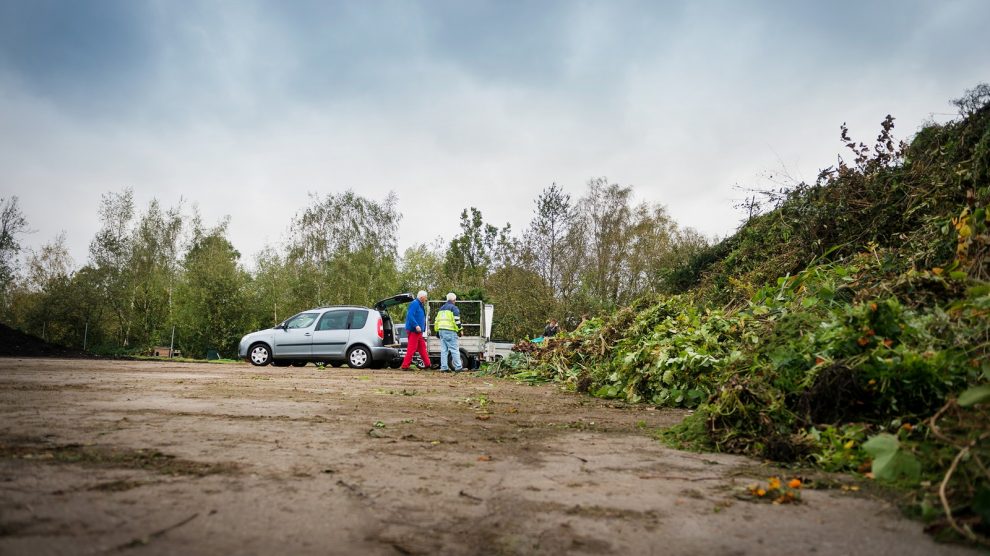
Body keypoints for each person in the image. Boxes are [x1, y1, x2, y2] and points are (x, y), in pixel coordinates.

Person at [400, 291, 431, 370]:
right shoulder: (415, 304)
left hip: (418, 331)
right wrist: (416, 325)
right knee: (412, 348)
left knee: (422, 348)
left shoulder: (420, 304)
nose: (426, 298)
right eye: (425, 297)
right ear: (421, 297)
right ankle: (405, 366)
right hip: (414, 330)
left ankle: (428, 364)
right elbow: (410, 315)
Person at [434, 292, 463, 372]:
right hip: (450, 331)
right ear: (454, 300)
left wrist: (437, 331)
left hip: (441, 331)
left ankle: (444, 367)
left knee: (444, 350)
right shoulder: (454, 308)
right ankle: (458, 367)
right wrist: (460, 330)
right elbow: (457, 320)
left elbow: (436, 321)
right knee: (454, 349)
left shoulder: (441, 308)